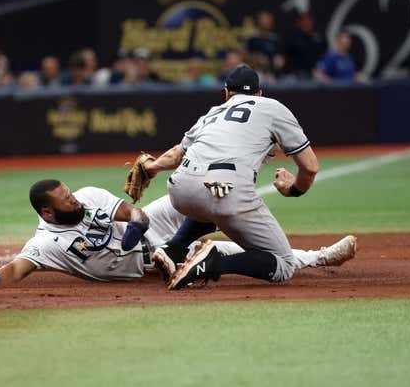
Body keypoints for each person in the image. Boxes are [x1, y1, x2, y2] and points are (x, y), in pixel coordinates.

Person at [141, 64, 351, 289]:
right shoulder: (272, 107)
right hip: (224, 191)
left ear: (226, 93)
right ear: (260, 93)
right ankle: (213, 263)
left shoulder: (212, 113)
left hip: (179, 189)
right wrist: (294, 189)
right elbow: (310, 167)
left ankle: (174, 248)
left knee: (210, 203)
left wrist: (151, 168)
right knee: (284, 264)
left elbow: (175, 155)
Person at [0, 180, 355, 287]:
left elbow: (132, 211)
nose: (74, 200)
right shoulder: (47, 244)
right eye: (64, 200)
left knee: (192, 199)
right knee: (221, 249)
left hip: (151, 231)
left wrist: (139, 223)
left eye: (70, 193)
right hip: (148, 259)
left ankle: (200, 230)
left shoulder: (90, 195)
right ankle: (317, 257)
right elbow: (16, 269)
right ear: (47, 211)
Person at [284, 13, 327, 80]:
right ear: (299, 23)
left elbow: (325, 55)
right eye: (304, 21)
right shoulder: (292, 38)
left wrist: (320, 69)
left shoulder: (319, 37)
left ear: (312, 22)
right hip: (297, 73)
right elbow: (286, 57)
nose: (307, 23)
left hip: (317, 72)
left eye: (309, 21)